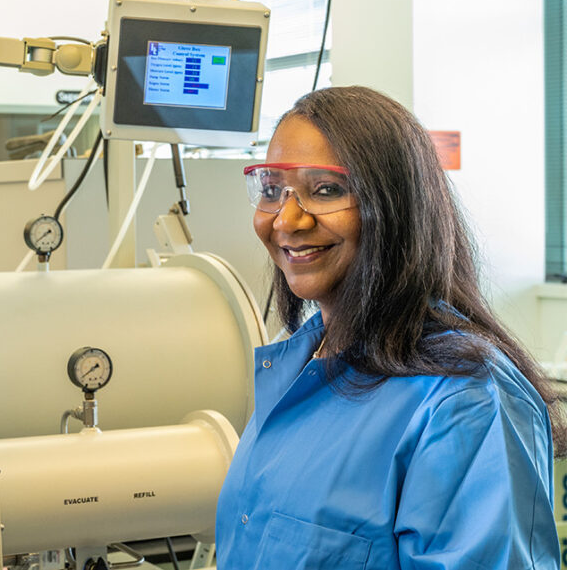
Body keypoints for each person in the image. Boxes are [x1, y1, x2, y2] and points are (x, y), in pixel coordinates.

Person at [216, 86, 562, 569]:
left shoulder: (464, 401)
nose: (287, 220)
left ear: (395, 207)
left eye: (326, 189)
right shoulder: (296, 365)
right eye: (272, 189)